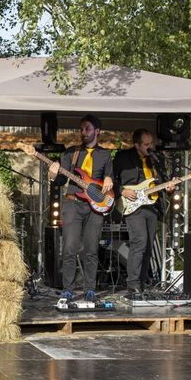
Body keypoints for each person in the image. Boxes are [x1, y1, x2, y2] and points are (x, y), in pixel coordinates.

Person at [48, 114, 113, 302]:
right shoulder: (70, 153)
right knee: (69, 247)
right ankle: (68, 289)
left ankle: (90, 289)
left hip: (95, 207)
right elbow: (61, 180)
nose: (83, 132)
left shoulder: (105, 155)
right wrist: (53, 174)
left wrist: (110, 177)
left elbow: (110, 180)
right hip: (73, 204)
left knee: (91, 249)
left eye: (87, 129)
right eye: (82, 129)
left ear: (97, 132)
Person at [113, 128, 177, 296]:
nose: (150, 147)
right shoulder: (123, 158)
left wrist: (170, 188)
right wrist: (122, 191)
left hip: (152, 205)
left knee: (148, 246)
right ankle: (132, 284)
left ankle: (141, 284)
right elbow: (110, 179)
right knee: (139, 241)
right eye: (146, 144)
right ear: (137, 145)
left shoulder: (156, 159)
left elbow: (164, 182)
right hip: (134, 205)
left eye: (151, 144)